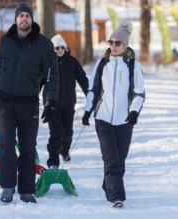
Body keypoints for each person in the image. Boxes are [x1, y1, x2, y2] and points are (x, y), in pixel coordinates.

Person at [0, 2, 58, 204]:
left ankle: (27, 190)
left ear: (32, 19)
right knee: (6, 144)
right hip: (5, 102)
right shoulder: (6, 40)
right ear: (16, 19)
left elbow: (52, 76)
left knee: (28, 146)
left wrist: (51, 102)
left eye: (27, 16)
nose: (24, 19)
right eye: (21, 16)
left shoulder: (44, 44)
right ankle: (8, 187)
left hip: (28, 103)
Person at [82, 20, 145, 208]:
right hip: (103, 119)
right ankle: (117, 195)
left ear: (125, 45)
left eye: (117, 43)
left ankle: (108, 184)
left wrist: (134, 112)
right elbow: (93, 89)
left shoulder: (133, 66)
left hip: (125, 120)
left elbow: (139, 93)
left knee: (119, 160)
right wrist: (87, 111)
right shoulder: (102, 64)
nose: (113, 46)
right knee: (110, 159)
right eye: (111, 42)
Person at [45, 34, 88, 169]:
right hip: (53, 105)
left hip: (69, 104)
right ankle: (53, 161)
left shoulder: (72, 62)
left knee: (68, 132)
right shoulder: (48, 64)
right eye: (57, 48)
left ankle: (64, 151)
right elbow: (39, 82)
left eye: (62, 47)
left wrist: (90, 94)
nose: (60, 50)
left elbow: (82, 79)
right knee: (55, 133)